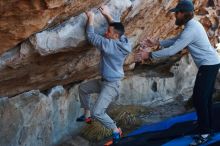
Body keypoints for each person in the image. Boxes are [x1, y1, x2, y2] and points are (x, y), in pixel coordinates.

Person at [135, 1, 220, 146]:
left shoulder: (191, 29)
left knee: (200, 99)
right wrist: (157, 42)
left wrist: (149, 55)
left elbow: (172, 50)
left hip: (208, 65)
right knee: (204, 99)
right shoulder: (191, 25)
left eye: (176, 12)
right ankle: (207, 126)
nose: (175, 15)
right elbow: (176, 41)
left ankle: (204, 133)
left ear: (182, 13)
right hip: (211, 63)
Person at [76, 5, 131, 144]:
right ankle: (86, 115)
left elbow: (91, 36)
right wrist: (107, 14)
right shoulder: (124, 42)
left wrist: (91, 18)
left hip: (111, 85)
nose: (106, 32)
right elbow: (117, 27)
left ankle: (115, 130)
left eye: (108, 31)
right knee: (83, 89)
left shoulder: (109, 45)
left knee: (98, 112)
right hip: (105, 81)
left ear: (114, 36)